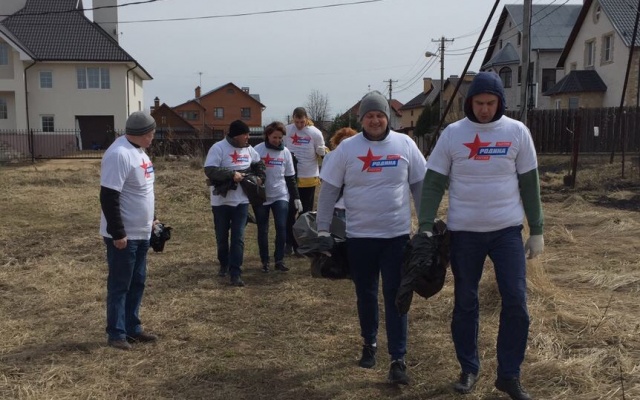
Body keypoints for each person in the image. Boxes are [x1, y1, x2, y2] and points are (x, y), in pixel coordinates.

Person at [418, 71, 544, 400]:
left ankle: (509, 375)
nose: (485, 109)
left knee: (516, 300)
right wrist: (425, 224)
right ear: (469, 102)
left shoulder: (517, 132)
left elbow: (530, 184)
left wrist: (537, 229)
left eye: (490, 103)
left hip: (506, 232)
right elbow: (433, 182)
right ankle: (469, 368)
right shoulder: (453, 134)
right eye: (479, 103)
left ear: (500, 102)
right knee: (465, 301)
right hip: (465, 233)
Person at [315, 91, 427, 385]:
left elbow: (419, 184)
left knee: (396, 296)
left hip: (396, 236)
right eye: (369, 116)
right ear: (361, 119)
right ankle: (369, 343)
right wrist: (323, 230)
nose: (375, 120)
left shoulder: (405, 144)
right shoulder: (347, 149)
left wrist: (426, 224)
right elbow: (328, 190)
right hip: (360, 237)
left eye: (379, 115)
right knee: (366, 293)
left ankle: (398, 358)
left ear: (387, 118)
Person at [99, 111, 159, 351]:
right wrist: (118, 232)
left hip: (142, 232)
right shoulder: (119, 154)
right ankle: (116, 333)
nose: (153, 137)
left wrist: (153, 218)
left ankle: (133, 328)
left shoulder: (140, 151)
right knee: (120, 284)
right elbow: (109, 196)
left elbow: (145, 190)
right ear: (142, 133)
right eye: (152, 133)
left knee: (137, 282)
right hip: (125, 235)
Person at [204, 120, 265, 287]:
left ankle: (235, 272)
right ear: (236, 135)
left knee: (238, 238)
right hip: (221, 202)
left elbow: (259, 163)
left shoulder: (249, 149)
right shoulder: (218, 148)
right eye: (245, 134)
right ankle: (224, 263)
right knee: (222, 237)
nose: (248, 137)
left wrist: (260, 177)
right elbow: (210, 170)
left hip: (241, 201)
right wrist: (231, 174)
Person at [253, 121, 303, 272]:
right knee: (263, 229)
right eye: (274, 137)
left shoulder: (285, 152)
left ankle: (279, 260)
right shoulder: (257, 150)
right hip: (262, 196)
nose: (277, 140)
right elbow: (250, 171)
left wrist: (296, 197)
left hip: (280, 195)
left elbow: (290, 177)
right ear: (268, 135)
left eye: (280, 138)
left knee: (281, 227)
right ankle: (265, 261)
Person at [284, 107, 326, 254]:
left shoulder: (315, 133)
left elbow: (323, 153)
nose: (299, 125)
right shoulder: (287, 130)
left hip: (309, 176)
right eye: (297, 122)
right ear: (293, 119)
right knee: (290, 211)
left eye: (302, 122)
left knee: (305, 212)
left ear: (306, 119)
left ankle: (302, 243)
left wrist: (323, 152)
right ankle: (289, 242)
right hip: (291, 176)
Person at [325, 127, 357, 220]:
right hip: (338, 205)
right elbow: (328, 182)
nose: (345, 145)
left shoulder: (359, 157)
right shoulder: (330, 156)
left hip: (356, 206)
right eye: (342, 142)